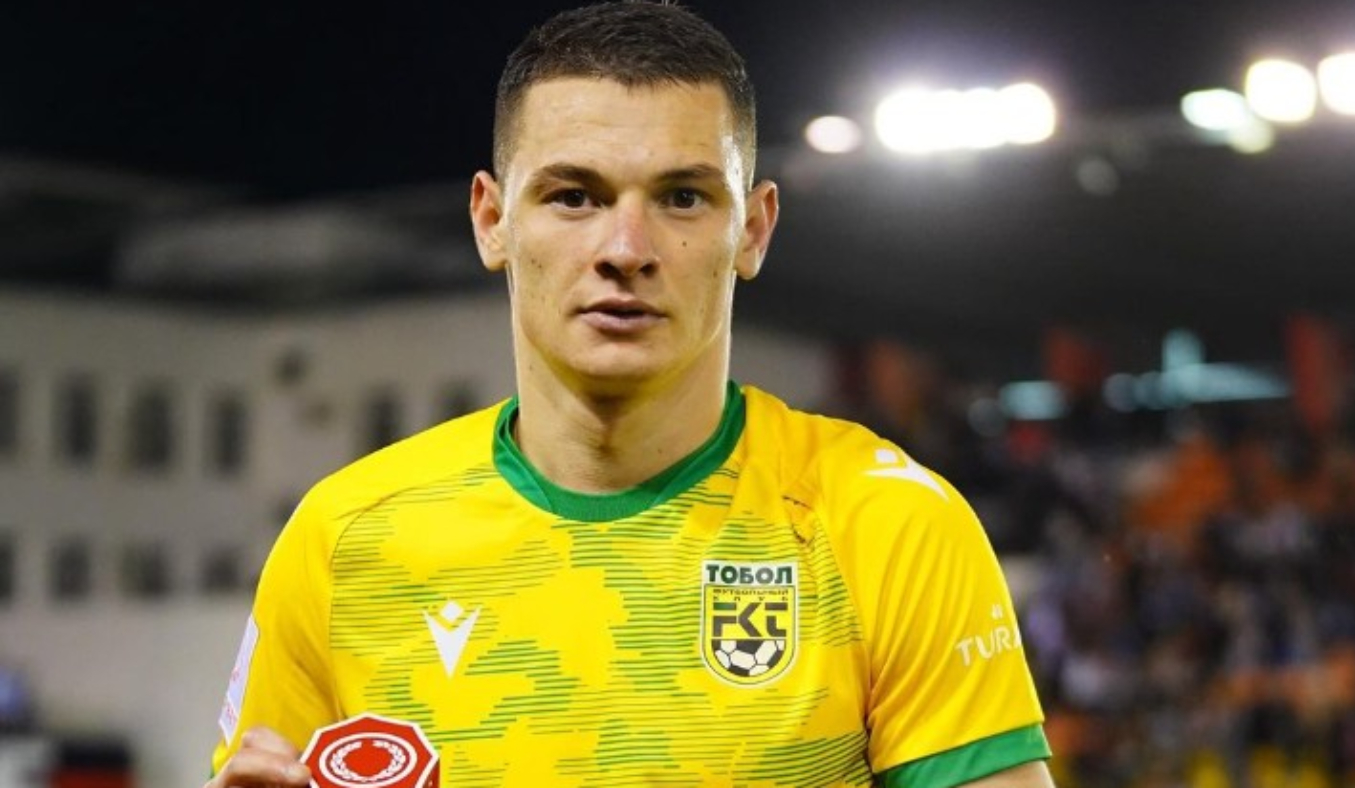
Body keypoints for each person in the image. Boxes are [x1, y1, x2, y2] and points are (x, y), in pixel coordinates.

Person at [206, 2, 1053, 786]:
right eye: (574, 196)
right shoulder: (343, 540)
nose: (625, 248)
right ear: (492, 221)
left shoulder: (885, 523)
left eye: (683, 198)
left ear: (753, 229)